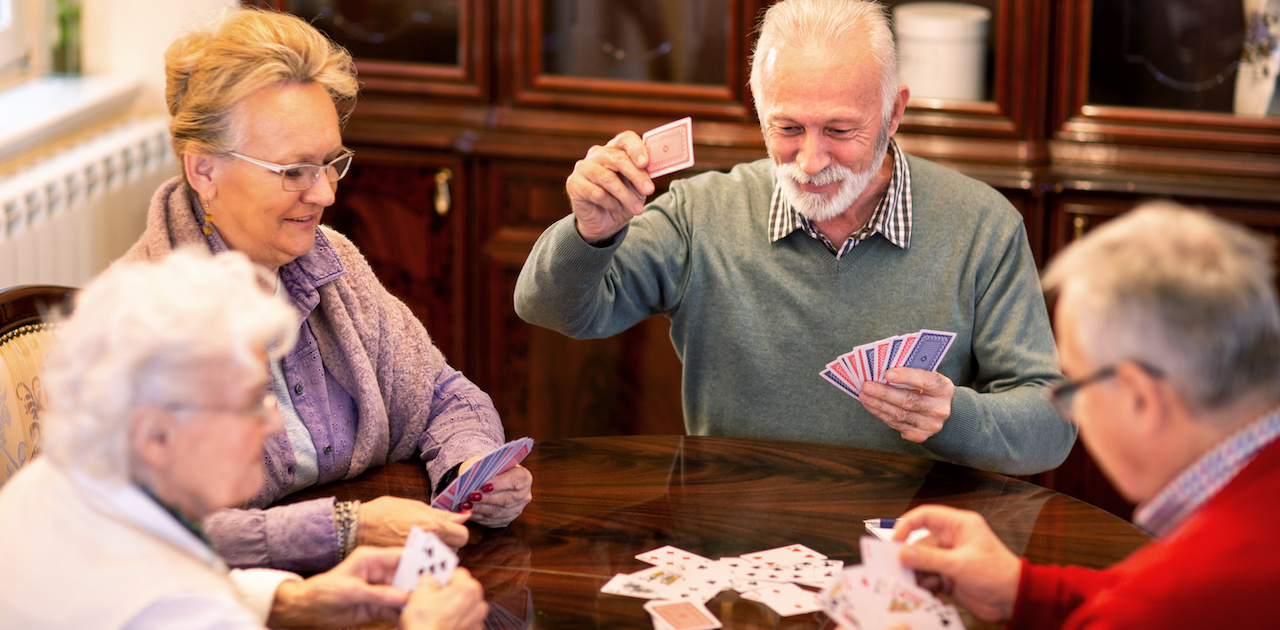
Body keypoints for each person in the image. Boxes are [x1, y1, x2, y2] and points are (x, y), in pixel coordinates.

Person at [513, 0, 1074, 475]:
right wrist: (590, 232)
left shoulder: (982, 225)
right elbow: (552, 309)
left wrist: (955, 419)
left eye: (839, 130)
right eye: (787, 128)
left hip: (907, 550)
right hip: (732, 553)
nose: (810, 160)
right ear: (759, 113)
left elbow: (1052, 427)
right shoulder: (700, 214)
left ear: (893, 112)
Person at [121, 7, 531, 573]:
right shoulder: (139, 321)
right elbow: (154, 533)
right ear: (204, 171)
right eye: (293, 171)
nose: (325, 195)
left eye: (331, 163)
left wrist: (471, 468)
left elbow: (441, 394)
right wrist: (348, 530)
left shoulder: (330, 261)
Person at [0, 249, 488, 630]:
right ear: (155, 435)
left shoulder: (47, 482)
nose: (274, 423)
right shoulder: (172, 609)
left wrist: (289, 601)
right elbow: (175, 600)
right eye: (250, 401)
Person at [892, 202, 1280, 628]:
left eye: (1075, 384)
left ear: (1140, 400)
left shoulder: (1162, 603)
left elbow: (1152, 604)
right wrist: (1022, 590)